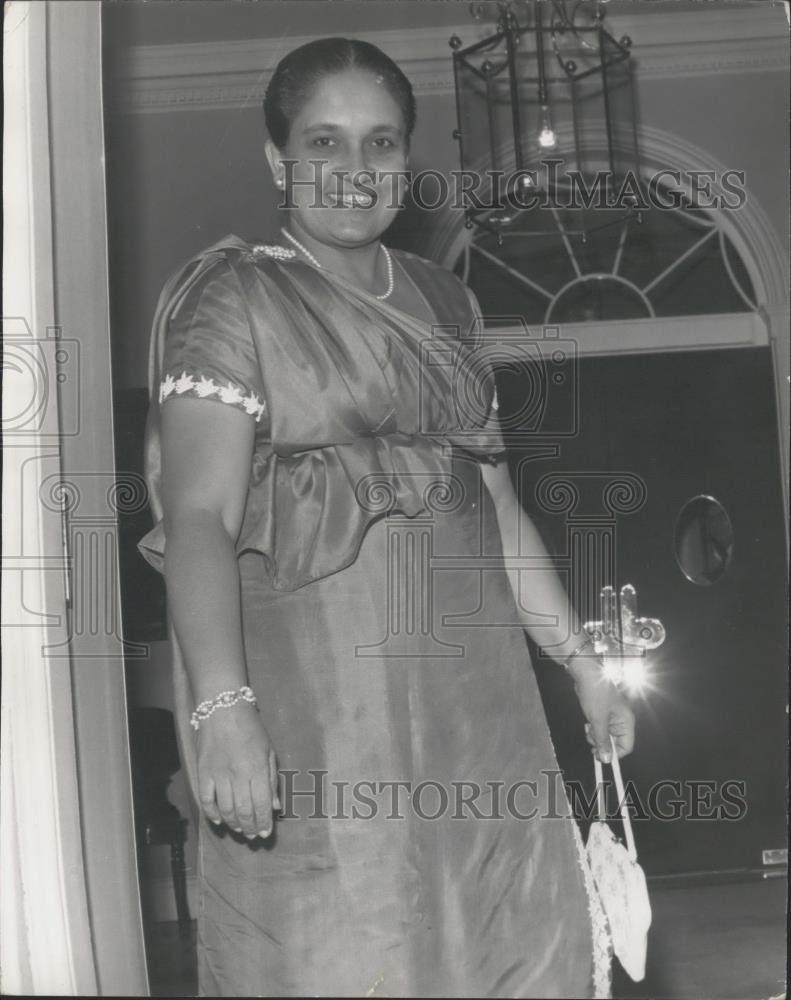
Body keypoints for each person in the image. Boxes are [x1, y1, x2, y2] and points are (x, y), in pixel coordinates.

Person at [138, 36, 634, 999]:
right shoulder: (232, 298)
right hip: (319, 709)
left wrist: (582, 666)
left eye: (381, 143)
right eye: (325, 142)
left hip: (473, 701)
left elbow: (495, 504)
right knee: (342, 943)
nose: (355, 171)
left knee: (502, 936)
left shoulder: (447, 300)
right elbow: (197, 516)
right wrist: (221, 707)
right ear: (278, 161)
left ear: (407, 159)